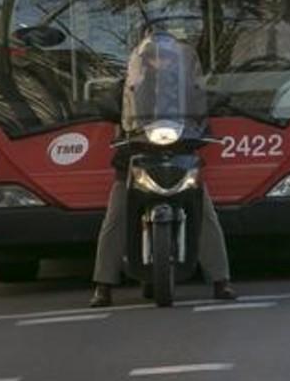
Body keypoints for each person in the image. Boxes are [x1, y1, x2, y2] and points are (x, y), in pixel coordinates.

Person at [89, 32, 237, 307]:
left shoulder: (187, 86)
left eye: (166, 57)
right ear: (143, 61)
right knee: (115, 217)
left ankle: (221, 281)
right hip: (135, 157)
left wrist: (216, 101)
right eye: (153, 57)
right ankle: (103, 286)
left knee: (204, 213)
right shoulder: (128, 86)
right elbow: (108, 104)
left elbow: (204, 99)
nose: (160, 61)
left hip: (180, 155)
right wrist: (107, 106)